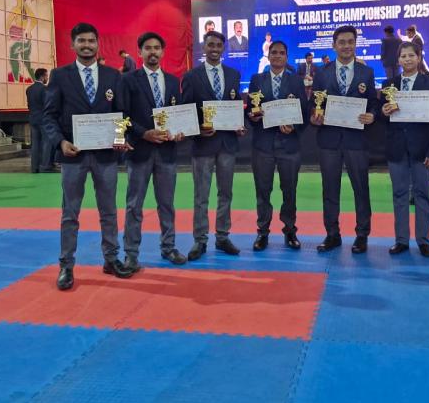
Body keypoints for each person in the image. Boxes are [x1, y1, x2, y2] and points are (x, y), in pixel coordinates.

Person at [44, 23, 134, 291]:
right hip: (74, 155)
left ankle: (111, 258)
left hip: (105, 156)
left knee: (109, 211)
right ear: (72, 44)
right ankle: (66, 265)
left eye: (91, 41)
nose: (86, 45)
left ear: (98, 44)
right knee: (70, 213)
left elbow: (122, 113)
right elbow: (48, 116)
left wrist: (120, 136)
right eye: (81, 41)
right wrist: (60, 142)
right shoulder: (60, 76)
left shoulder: (113, 76)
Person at [119, 32, 187, 267]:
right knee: (134, 205)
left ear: (163, 52)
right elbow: (122, 115)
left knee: (167, 204)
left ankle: (168, 247)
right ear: (139, 52)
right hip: (139, 151)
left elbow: (177, 113)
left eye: (157, 48)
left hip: (167, 152)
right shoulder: (128, 80)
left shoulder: (172, 81)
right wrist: (143, 133)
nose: (153, 52)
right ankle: (131, 253)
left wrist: (179, 131)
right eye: (147, 48)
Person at [309, 25, 379, 254]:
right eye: (342, 42)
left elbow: (373, 102)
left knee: (361, 188)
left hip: (356, 139)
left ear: (355, 44)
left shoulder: (366, 72)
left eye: (350, 42)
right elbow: (314, 104)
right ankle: (332, 234)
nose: (346, 46)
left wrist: (373, 115)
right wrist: (314, 116)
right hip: (329, 139)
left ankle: (362, 235)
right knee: (330, 189)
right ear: (334, 45)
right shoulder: (322, 73)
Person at [181, 30, 246, 261]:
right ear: (204, 47)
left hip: (227, 143)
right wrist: (198, 129)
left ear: (223, 48)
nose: (215, 49)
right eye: (211, 45)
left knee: (225, 193)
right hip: (203, 144)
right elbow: (186, 109)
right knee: (201, 195)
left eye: (219, 45)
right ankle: (200, 240)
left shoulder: (233, 74)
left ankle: (222, 236)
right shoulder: (191, 76)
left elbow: (234, 104)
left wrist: (238, 124)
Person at [380, 41, 429, 257]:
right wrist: (384, 111)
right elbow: (382, 117)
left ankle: (423, 240)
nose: (407, 59)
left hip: (422, 150)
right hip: (396, 148)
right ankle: (401, 240)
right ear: (398, 60)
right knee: (399, 194)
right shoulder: (389, 84)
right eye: (403, 56)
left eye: (411, 55)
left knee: (422, 194)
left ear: (419, 57)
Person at [247, 41, 308, 251]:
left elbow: (304, 112)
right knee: (263, 191)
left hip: (289, 145)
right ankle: (262, 232)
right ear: (269, 55)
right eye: (274, 52)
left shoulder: (296, 81)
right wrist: (253, 117)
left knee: (289, 190)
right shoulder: (256, 80)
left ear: (287, 57)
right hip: (263, 145)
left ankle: (290, 230)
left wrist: (294, 126)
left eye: (282, 53)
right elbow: (251, 111)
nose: (277, 56)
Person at [26, 68, 55, 173]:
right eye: (46, 76)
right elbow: (48, 106)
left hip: (33, 118)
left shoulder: (29, 89)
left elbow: (29, 105)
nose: (47, 78)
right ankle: (45, 166)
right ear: (42, 77)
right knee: (46, 143)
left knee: (35, 143)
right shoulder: (45, 89)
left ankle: (34, 167)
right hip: (44, 119)